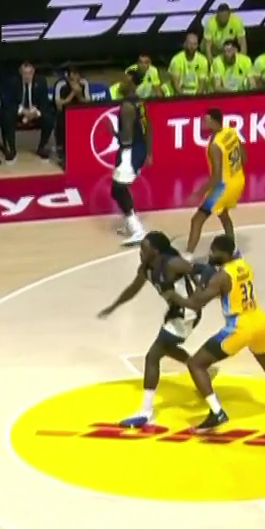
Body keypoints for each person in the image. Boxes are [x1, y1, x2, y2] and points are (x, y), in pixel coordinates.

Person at [165, 234, 265, 431]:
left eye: (213, 251)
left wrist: (189, 287)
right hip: (258, 321)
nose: (210, 254)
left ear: (223, 254)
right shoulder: (243, 265)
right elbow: (228, 279)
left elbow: (196, 303)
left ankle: (217, 413)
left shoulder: (221, 277)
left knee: (196, 364)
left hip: (238, 327)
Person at [98, 231, 201, 428]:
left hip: (187, 312)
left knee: (152, 356)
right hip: (175, 311)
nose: (141, 252)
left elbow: (200, 271)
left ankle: (146, 412)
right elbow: (133, 289)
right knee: (167, 347)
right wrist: (114, 306)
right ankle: (198, 366)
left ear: (156, 251)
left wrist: (204, 294)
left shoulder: (172, 263)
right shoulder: (146, 268)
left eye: (144, 249)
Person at [185, 109, 243, 256]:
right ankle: (233, 251)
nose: (203, 123)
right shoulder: (231, 132)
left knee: (197, 220)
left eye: (206, 120)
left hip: (222, 187)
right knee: (223, 215)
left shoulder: (214, 146)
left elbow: (216, 177)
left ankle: (187, 257)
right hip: (237, 181)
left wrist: (198, 193)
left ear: (215, 121)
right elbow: (244, 157)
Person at [108, 90, 151, 246]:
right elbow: (148, 129)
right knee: (119, 189)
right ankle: (129, 224)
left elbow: (126, 138)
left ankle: (137, 230)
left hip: (130, 152)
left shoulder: (126, 107)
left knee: (118, 190)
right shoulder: (139, 104)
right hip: (138, 149)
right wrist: (149, 153)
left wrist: (113, 132)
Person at [0, 60, 54, 161]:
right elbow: (8, 103)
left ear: (33, 72)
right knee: (7, 115)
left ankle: (41, 147)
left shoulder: (41, 82)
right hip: (18, 112)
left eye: (29, 73)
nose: (27, 76)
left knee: (49, 118)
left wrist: (35, 113)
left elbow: (44, 102)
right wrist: (23, 111)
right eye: (25, 73)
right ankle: (11, 149)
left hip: (34, 112)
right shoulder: (13, 82)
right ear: (20, 73)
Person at [168, 32, 210, 96]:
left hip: (196, 92)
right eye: (189, 43)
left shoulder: (202, 60)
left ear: (197, 45)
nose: (192, 47)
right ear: (184, 44)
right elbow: (175, 84)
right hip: (181, 92)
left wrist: (195, 98)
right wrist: (183, 97)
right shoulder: (176, 60)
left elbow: (201, 84)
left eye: (194, 44)